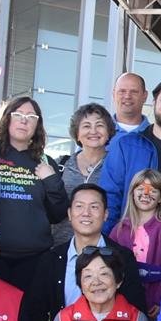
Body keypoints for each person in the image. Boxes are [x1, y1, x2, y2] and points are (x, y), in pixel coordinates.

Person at [20, 183, 147, 321]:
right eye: (79, 206)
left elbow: (136, 309)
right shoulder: (51, 259)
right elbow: (36, 312)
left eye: (94, 207)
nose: (86, 213)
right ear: (69, 214)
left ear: (105, 214)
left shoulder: (123, 257)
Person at [97, 77, 161, 230]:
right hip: (130, 238)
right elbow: (110, 197)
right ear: (154, 102)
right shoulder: (126, 146)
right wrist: (108, 240)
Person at [0, 95, 66, 289]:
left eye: (31, 116)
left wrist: (51, 181)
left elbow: (58, 214)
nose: (24, 120)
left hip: (34, 258)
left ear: (38, 125)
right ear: (7, 119)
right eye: (18, 114)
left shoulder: (45, 162)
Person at [51, 103, 116, 242]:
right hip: (59, 246)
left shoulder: (117, 167)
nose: (93, 131)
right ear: (77, 134)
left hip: (102, 248)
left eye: (99, 125)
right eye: (86, 126)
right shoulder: (60, 165)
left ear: (108, 132)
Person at [108, 168, 161, 312]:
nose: (146, 194)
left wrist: (160, 299)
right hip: (124, 302)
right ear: (132, 194)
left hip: (155, 301)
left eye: (153, 190)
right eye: (141, 189)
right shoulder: (119, 229)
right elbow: (109, 264)